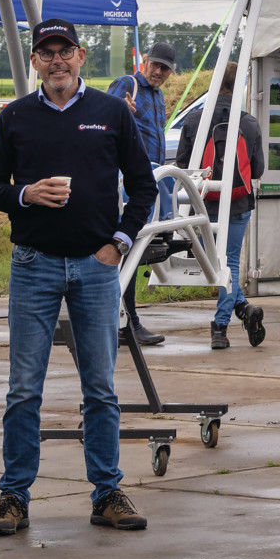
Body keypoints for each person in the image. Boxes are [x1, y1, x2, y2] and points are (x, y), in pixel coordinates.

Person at [0, 18, 157, 535]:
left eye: (66, 51)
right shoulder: (15, 117)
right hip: (32, 263)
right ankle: (14, 497)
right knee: (23, 388)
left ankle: (107, 493)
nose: (56, 60)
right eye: (46, 52)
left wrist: (118, 243)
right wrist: (25, 194)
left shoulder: (110, 114)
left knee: (100, 386)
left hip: (95, 267)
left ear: (81, 57)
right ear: (35, 61)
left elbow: (144, 188)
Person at [174, 66, 265, 351]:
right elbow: (258, 168)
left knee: (214, 264)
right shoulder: (249, 123)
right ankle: (226, 322)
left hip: (202, 203)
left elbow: (182, 164)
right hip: (238, 203)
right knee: (230, 264)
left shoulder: (195, 120)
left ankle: (230, 317)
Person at [106, 40, 178, 349]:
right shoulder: (128, 84)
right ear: (144, 60)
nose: (159, 71)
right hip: (129, 180)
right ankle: (127, 323)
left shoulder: (158, 94)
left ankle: (124, 321)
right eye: (156, 65)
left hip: (151, 180)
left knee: (133, 253)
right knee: (128, 251)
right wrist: (121, 109)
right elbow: (100, 118)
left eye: (166, 68)